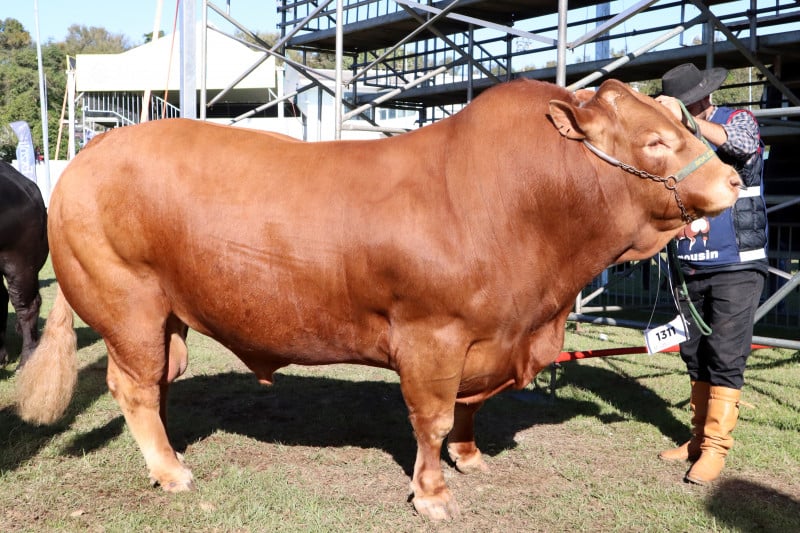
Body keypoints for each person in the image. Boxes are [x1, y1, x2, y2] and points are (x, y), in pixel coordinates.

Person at [654, 63, 768, 485]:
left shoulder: (736, 120)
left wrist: (687, 122)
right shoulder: (674, 142)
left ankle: (716, 447)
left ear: (701, 100)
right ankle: (698, 438)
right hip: (688, 265)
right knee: (694, 353)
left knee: (725, 355)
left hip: (737, 263)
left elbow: (740, 144)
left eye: (684, 108)